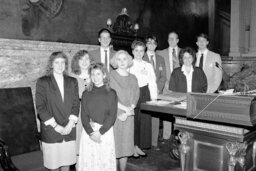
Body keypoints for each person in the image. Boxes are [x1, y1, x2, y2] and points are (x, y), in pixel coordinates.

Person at [35, 51, 80, 171]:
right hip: (51, 129)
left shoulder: (72, 81)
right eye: (57, 62)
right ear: (51, 64)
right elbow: (40, 107)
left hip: (69, 129)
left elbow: (76, 104)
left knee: (67, 162)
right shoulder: (43, 82)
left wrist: (71, 124)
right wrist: (56, 126)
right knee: (53, 164)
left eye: (63, 62)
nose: (60, 65)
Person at [78, 63, 117, 171]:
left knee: (104, 162)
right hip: (88, 133)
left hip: (105, 132)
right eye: (93, 74)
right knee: (90, 163)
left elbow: (112, 115)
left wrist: (100, 132)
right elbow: (84, 115)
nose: (95, 77)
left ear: (104, 75)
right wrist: (91, 132)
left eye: (98, 74)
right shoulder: (86, 93)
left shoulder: (111, 93)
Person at [110, 50, 140, 171]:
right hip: (115, 114)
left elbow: (136, 95)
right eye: (119, 59)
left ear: (129, 61)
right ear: (115, 61)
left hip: (128, 115)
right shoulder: (111, 75)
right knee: (114, 144)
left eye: (124, 59)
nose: (122, 62)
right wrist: (123, 110)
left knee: (126, 145)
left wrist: (129, 110)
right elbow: (109, 96)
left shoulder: (133, 77)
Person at [129, 40, 157, 156]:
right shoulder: (128, 64)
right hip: (132, 93)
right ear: (132, 51)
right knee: (133, 120)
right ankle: (133, 146)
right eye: (136, 50)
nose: (139, 53)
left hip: (145, 93)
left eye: (141, 51)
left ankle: (141, 145)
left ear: (144, 52)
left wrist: (154, 99)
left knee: (144, 120)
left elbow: (152, 82)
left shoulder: (148, 65)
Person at [157, 31, 180, 143]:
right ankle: (166, 136)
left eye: (174, 38)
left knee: (179, 112)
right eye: (170, 38)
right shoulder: (161, 53)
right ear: (167, 40)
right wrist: (165, 83)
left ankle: (178, 136)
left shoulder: (183, 52)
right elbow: (160, 71)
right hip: (166, 86)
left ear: (178, 40)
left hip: (180, 87)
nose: (172, 41)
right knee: (167, 112)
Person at [144, 35, 166, 150]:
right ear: (146, 44)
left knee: (155, 118)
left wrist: (158, 88)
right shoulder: (141, 57)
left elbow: (163, 77)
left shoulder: (161, 59)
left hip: (157, 92)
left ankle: (154, 143)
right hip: (144, 91)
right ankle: (143, 142)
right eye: (149, 42)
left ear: (156, 45)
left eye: (153, 43)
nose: (151, 45)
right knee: (144, 117)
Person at [70, 50, 93, 156]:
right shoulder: (71, 77)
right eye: (81, 59)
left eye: (87, 59)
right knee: (79, 144)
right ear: (77, 61)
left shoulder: (95, 75)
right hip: (78, 113)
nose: (84, 61)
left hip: (94, 112)